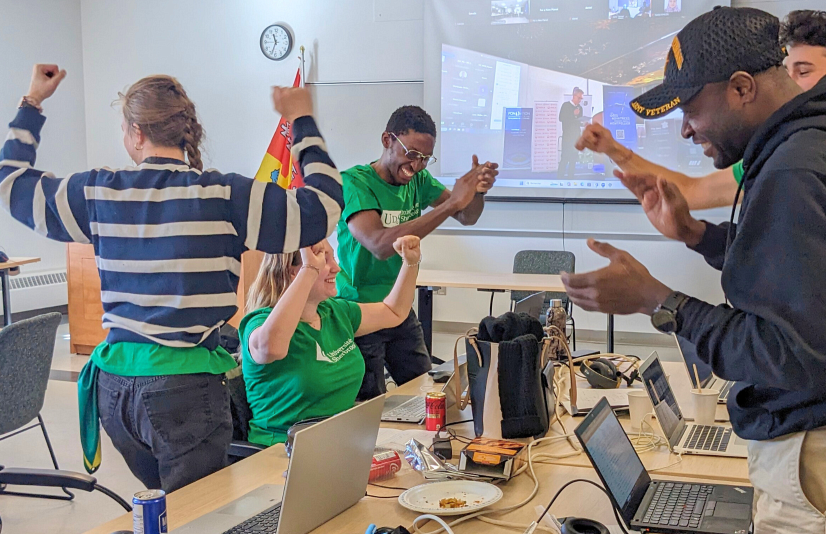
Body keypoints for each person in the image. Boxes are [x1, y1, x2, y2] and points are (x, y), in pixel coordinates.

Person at [562, 7, 826, 534]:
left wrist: (660, 301)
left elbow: (791, 354)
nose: (685, 129)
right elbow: (802, 268)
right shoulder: (825, 144)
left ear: (741, 88)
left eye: (690, 108)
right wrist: (695, 234)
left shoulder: (797, 168)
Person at [0, 64, 344, 492]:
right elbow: (325, 206)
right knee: (196, 518)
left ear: (137, 133)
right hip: (185, 395)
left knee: (165, 510)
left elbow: (11, 183)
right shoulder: (227, 195)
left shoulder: (99, 191)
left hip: (117, 394)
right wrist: (302, 119)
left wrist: (32, 101)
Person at [576, 9, 826, 248]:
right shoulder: (780, 152)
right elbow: (695, 191)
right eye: (784, 69)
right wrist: (617, 151)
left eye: (802, 71)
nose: (788, 83)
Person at [337, 105, 498, 400]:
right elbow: (380, 244)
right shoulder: (355, 182)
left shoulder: (419, 182)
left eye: (425, 158)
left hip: (398, 307)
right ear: (387, 140)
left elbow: (466, 216)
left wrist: (477, 193)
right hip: (359, 311)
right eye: (411, 154)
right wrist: (452, 204)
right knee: (369, 405)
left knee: (428, 394)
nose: (418, 165)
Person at [238, 235, 421, 446]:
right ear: (293, 271)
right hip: (280, 450)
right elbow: (273, 347)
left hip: (337, 443)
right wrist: (309, 271)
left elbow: (394, 312)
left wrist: (410, 263)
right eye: (324, 260)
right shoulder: (259, 322)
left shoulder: (335, 312)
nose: (336, 268)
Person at [558, 87, 585, 178]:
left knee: (573, 159)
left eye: (581, 98)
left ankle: (571, 178)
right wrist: (574, 114)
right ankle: (560, 178)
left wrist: (582, 123)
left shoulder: (580, 108)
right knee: (565, 158)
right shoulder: (565, 105)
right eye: (579, 98)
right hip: (567, 137)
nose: (580, 100)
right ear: (574, 96)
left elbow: (576, 121)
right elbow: (561, 118)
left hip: (576, 137)